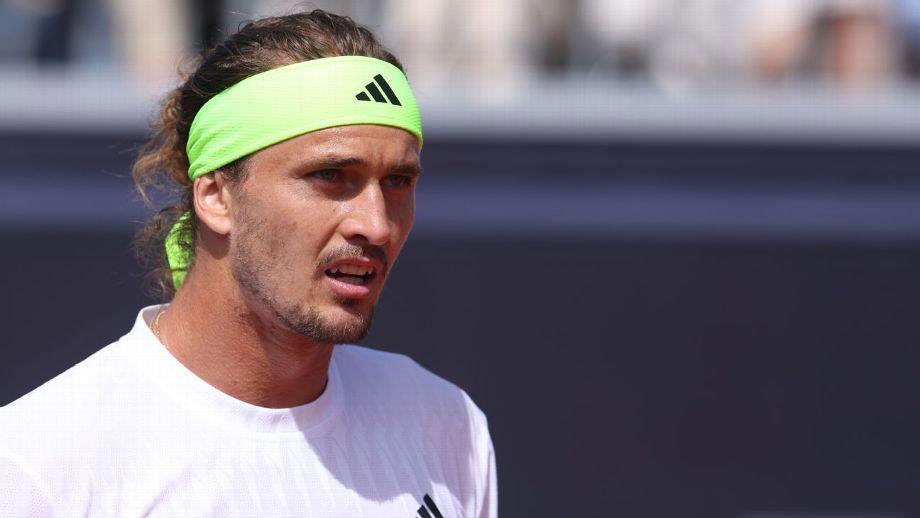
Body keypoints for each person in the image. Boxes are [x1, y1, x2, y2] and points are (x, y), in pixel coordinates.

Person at [0, 10, 496, 517]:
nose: (377, 224)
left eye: (398, 181)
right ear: (216, 197)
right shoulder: (36, 468)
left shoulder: (447, 423)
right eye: (329, 175)